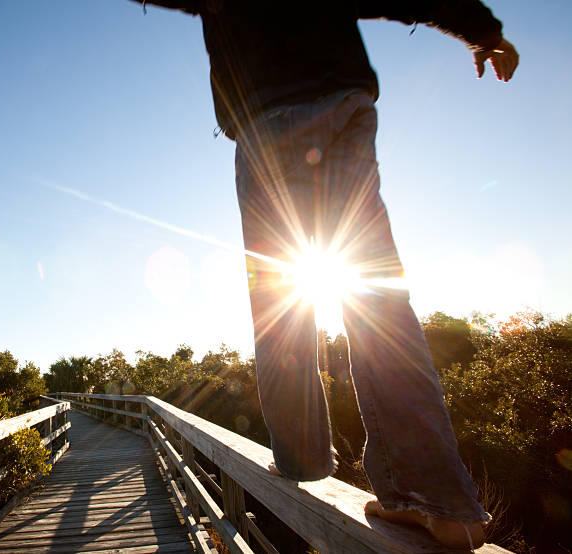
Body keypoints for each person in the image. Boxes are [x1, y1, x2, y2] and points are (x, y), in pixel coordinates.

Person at [130, 1, 519, 549]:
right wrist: (482, 31)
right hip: (343, 102)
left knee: (279, 298)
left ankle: (301, 458)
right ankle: (439, 500)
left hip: (266, 120)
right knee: (375, 295)